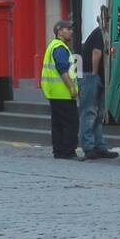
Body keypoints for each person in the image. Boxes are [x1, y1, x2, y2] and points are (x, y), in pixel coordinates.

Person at [79, 20, 118, 160]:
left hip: (94, 76)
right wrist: (95, 74)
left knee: (98, 114)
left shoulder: (102, 32)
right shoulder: (101, 33)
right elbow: (96, 53)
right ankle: (89, 148)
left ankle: (99, 146)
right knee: (89, 113)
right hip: (91, 75)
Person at [41, 20, 79, 160]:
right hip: (63, 93)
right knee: (70, 123)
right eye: (68, 29)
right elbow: (63, 70)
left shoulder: (53, 46)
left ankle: (59, 151)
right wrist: (71, 88)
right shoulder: (60, 48)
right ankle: (69, 151)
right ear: (59, 32)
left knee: (57, 124)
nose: (71, 31)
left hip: (54, 94)